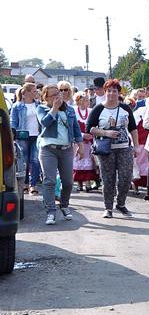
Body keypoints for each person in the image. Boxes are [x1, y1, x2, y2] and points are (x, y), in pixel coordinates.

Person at [86, 80, 138, 218]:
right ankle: (108, 207)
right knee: (108, 179)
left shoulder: (125, 108)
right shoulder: (98, 109)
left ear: (119, 93)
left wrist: (137, 147)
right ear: (105, 92)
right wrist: (105, 133)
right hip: (106, 149)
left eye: (114, 91)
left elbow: (133, 128)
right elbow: (89, 129)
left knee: (126, 178)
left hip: (124, 148)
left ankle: (121, 204)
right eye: (109, 90)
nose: (111, 93)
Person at [37, 82, 83, 225]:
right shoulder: (42, 108)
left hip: (66, 149)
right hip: (48, 149)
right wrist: (54, 109)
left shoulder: (69, 110)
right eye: (54, 95)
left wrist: (80, 145)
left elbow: (76, 128)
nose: (58, 96)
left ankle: (64, 205)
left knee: (68, 182)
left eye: (59, 93)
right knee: (49, 181)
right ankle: (51, 211)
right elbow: (44, 123)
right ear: (46, 97)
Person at [10, 81, 42, 194]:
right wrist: (12, 136)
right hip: (22, 136)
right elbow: (13, 122)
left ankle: (33, 185)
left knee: (35, 160)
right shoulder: (17, 106)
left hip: (37, 136)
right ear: (27, 92)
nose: (36, 93)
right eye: (34, 91)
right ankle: (23, 184)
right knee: (24, 161)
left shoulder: (39, 105)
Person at [72, 92, 99, 191]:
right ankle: (79, 184)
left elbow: (95, 125)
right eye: (83, 100)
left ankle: (88, 183)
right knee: (78, 160)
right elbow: (72, 126)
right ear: (78, 101)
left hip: (90, 141)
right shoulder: (74, 111)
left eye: (87, 100)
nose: (85, 102)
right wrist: (82, 135)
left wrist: (91, 135)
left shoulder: (91, 111)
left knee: (89, 161)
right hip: (78, 140)